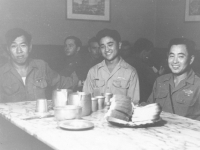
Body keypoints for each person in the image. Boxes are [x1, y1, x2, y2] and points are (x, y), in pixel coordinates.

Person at [0, 28, 74, 102]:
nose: (19, 51)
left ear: (30, 47)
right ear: (8, 49)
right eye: (14, 46)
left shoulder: (41, 66)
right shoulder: (2, 73)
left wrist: (80, 77)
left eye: (23, 45)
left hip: (39, 113)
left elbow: (62, 83)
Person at [147, 38, 200, 121]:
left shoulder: (197, 85)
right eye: (171, 56)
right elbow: (148, 108)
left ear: (191, 59)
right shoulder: (160, 81)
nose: (175, 61)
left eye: (180, 56)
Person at [83, 29, 140, 104]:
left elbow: (134, 104)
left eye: (110, 45)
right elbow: (86, 101)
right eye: (102, 46)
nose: (106, 49)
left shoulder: (131, 72)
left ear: (119, 45)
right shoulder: (93, 71)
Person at [127, 38, 158, 103]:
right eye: (149, 53)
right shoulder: (143, 66)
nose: (150, 56)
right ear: (144, 53)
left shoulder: (126, 61)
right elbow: (156, 83)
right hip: (141, 101)